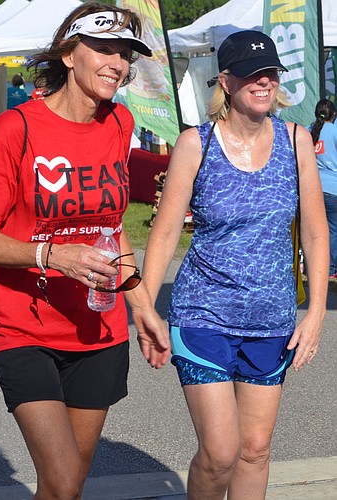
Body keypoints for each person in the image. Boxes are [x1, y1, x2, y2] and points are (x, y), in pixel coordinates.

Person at [0, 3, 169, 499]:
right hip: (23, 326)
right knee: (58, 477)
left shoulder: (119, 123)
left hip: (97, 327)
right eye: (103, 49)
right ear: (68, 54)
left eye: (125, 54)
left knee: (68, 486)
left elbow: (113, 227)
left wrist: (141, 307)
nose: (117, 63)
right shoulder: (17, 128)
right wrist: (54, 256)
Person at [141, 30, 329, 500]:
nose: (263, 82)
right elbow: (163, 234)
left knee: (255, 450)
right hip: (203, 315)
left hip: (272, 321)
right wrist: (144, 308)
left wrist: (317, 312)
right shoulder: (195, 144)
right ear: (225, 81)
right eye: (251, 74)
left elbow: (315, 231)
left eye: (270, 73)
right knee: (221, 452)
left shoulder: (296, 140)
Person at [309, 98, 337, 278]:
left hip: (312, 189)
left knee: (314, 232)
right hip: (333, 189)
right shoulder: (335, 130)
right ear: (333, 114)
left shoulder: (307, 130)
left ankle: (314, 267)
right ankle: (330, 269)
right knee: (333, 230)